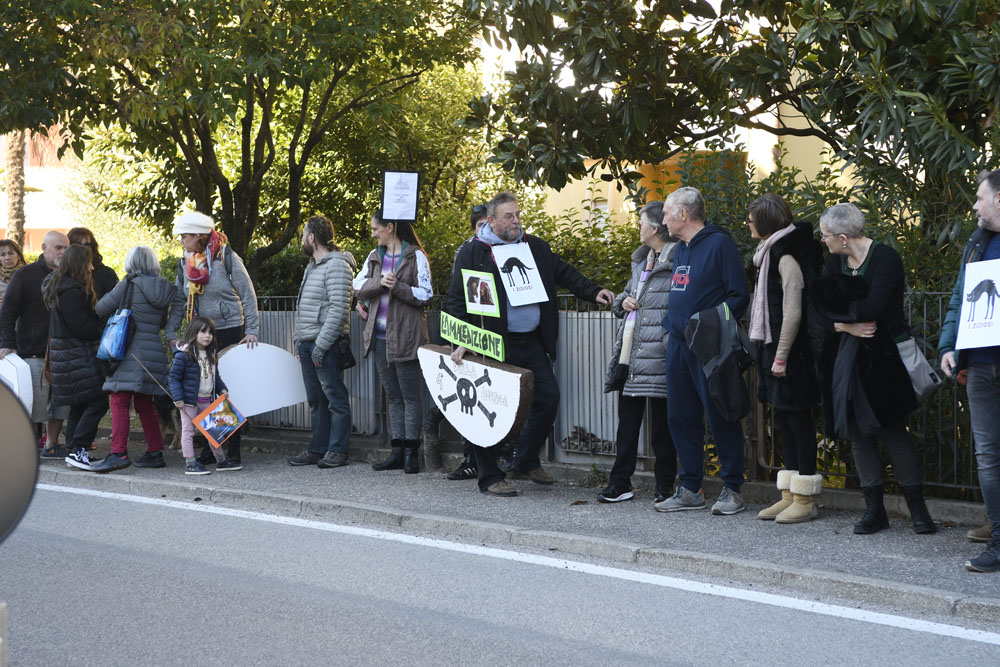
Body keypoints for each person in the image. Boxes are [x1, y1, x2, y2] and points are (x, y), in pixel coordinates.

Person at [444, 191, 615, 497]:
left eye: (518, 215)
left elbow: (564, 273)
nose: (516, 221)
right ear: (492, 220)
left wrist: (594, 291)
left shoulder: (533, 247)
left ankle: (524, 459)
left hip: (532, 340)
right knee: (489, 409)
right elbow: (457, 301)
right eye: (508, 216)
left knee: (548, 397)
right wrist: (460, 340)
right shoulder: (474, 252)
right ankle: (490, 476)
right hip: (493, 343)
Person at [809, 202, 935, 535]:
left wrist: (838, 313)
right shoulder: (836, 260)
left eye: (826, 236)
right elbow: (819, 309)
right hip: (846, 357)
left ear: (844, 237)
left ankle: (918, 511)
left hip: (884, 359)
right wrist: (845, 327)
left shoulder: (885, 259)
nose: (823, 242)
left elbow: (874, 307)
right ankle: (874, 511)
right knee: (858, 434)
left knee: (893, 431)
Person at [655, 186, 751, 515]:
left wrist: (708, 321)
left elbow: (739, 295)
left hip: (710, 347)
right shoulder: (679, 249)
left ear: (683, 214)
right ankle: (691, 488)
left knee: (720, 413)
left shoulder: (719, 245)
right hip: (679, 345)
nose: (663, 219)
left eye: (667, 212)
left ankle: (733, 489)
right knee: (680, 416)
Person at [745, 195, 825, 523]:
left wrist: (780, 357)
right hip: (781, 351)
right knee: (786, 421)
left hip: (792, 352)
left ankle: (805, 499)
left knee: (799, 421)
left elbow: (793, 311)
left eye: (751, 220)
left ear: (765, 223)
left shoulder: (785, 255)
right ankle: (790, 494)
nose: (748, 224)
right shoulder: (770, 252)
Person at [939, 169, 1000, 572]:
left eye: (980, 198)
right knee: (989, 457)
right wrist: (948, 345)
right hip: (979, 366)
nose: (974, 205)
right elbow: (961, 298)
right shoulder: (978, 243)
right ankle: (998, 538)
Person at [599, 200, 678, 504]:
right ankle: (619, 484)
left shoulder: (675, 262)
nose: (638, 227)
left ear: (656, 228)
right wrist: (623, 302)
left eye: (641, 222)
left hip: (659, 355)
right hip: (631, 356)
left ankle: (664, 487)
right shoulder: (641, 260)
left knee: (662, 430)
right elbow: (629, 296)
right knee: (627, 428)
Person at [166, 211, 259, 465]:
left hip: (229, 329)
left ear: (198, 235)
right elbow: (179, 300)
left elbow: (248, 295)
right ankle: (211, 446)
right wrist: (171, 332)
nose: (182, 241)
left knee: (226, 390)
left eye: (184, 236)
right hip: (199, 331)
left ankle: (233, 450)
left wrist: (252, 329)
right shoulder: (185, 262)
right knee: (203, 388)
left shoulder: (226, 258)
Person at [354, 211, 432, 474]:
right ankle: (397, 451)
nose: (373, 233)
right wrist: (379, 283)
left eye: (376, 228)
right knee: (393, 397)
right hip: (379, 338)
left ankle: (412, 453)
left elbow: (426, 294)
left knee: (410, 396)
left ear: (390, 227)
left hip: (407, 338)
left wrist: (396, 286)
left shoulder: (415, 256)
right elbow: (357, 286)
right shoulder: (375, 256)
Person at [88, 246, 178, 473]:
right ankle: (155, 452)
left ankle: (118, 452)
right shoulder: (164, 288)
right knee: (145, 403)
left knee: (119, 400)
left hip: (128, 351)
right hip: (153, 352)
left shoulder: (128, 283)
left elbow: (100, 308)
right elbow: (162, 323)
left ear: (132, 263)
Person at [287, 215, 357, 469]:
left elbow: (339, 309)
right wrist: (299, 343)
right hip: (308, 343)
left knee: (335, 399)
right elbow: (303, 308)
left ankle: (337, 451)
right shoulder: (313, 266)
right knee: (316, 400)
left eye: (303, 234)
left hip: (325, 344)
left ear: (312, 238)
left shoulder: (337, 266)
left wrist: (320, 345)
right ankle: (318, 449)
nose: (301, 239)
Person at [0, 231, 69, 455]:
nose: (63, 252)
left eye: (66, 248)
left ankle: (51, 444)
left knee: (59, 404)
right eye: (58, 247)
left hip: (64, 351)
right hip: (33, 351)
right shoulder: (26, 275)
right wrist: (7, 342)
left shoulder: (71, 274)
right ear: (44, 248)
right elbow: (8, 311)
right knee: (33, 405)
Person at [42, 244, 109, 470]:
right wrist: (103, 323)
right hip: (76, 355)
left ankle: (74, 450)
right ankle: (78, 448)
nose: (91, 267)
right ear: (79, 264)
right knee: (98, 400)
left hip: (69, 355)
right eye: (88, 262)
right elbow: (83, 328)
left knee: (81, 403)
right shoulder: (70, 291)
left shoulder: (62, 286)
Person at [446, 203, 490, 481]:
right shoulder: (466, 252)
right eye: (480, 226)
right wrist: (461, 337)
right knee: (469, 401)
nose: (485, 231)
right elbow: (457, 297)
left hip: (492, 336)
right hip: (468, 336)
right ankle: (470, 459)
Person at [168, 316, 239, 474]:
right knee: (188, 431)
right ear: (194, 332)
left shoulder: (211, 353)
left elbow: (216, 376)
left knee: (213, 431)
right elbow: (174, 378)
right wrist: (178, 398)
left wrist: (222, 388)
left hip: (208, 399)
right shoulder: (184, 354)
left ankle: (221, 461)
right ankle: (190, 463)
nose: (208, 335)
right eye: (203, 332)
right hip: (189, 401)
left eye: (210, 333)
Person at [67, 227, 118, 299]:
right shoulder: (63, 274)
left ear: (93, 247)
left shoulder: (106, 273)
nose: (82, 249)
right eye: (77, 245)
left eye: (87, 245)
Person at [0, 238, 27, 307]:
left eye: (11, 253)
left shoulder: (29, 275)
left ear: (19, 256)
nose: (7, 258)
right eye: (3, 255)